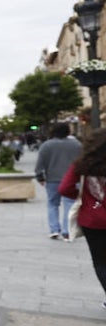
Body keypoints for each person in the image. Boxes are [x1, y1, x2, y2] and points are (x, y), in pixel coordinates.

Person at [58, 128, 106, 308]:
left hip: (92, 219)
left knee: (101, 261)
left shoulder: (82, 165)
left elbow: (64, 189)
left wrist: (83, 198)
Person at [35, 122, 82, 241]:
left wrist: (40, 176)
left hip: (52, 179)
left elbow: (40, 163)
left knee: (52, 204)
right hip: (71, 179)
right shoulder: (76, 145)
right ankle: (67, 231)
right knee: (69, 204)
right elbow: (82, 161)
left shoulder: (46, 145)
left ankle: (54, 230)